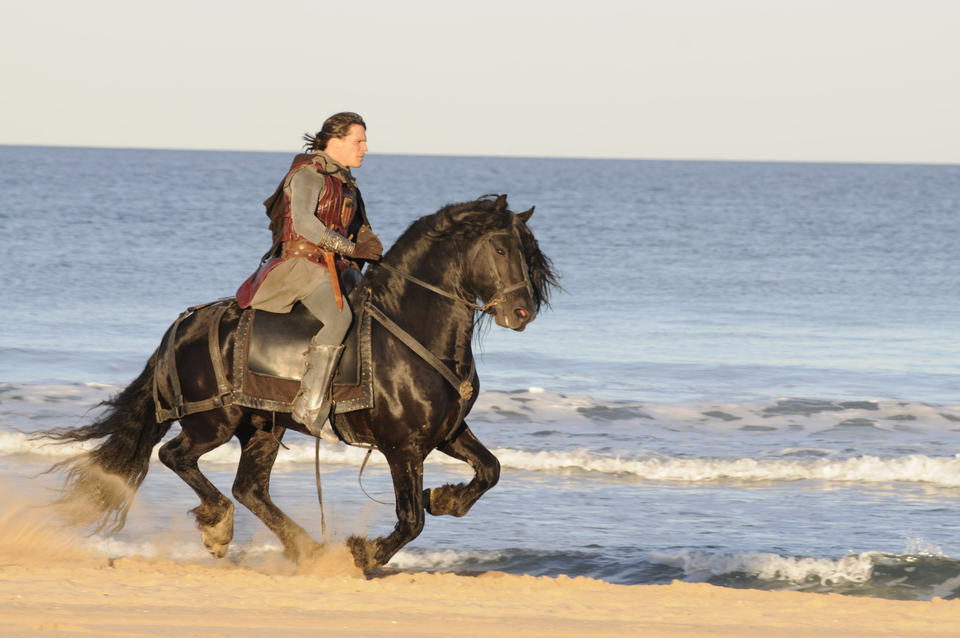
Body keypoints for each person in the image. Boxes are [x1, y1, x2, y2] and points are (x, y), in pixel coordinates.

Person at [236, 112, 383, 434]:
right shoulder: (307, 175)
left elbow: (356, 229)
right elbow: (304, 224)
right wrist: (350, 248)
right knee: (340, 319)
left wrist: (368, 242)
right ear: (336, 141)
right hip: (298, 267)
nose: (366, 148)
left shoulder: (346, 183)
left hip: (334, 266)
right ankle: (310, 405)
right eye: (359, 141)